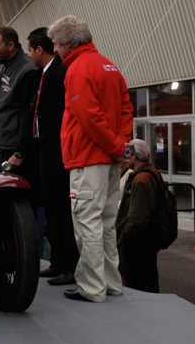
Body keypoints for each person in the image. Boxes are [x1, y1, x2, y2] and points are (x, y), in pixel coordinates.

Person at [49, 15, 132, 303]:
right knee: (106, 223)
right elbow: (125, 109)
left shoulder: (77, 69)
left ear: (68, 43)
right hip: (108, 158)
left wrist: (115, 146)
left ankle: (92, 287)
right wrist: (120, 145)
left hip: (87, 158)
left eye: (56, 44)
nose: (55, 50)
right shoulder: (109, 65)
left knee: (87, 223)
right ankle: (111, 283)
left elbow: (88, 118)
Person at [25, 27, 78, 286]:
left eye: (29, 50)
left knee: (62, 210)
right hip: (44, 151)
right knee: (52, 210)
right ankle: (57, 262)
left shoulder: (60, 72)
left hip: (59, 153)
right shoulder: (42, 74)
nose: (28, 55)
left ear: (39, 49)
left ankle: (69, 266)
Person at [0, 26, 37, 175]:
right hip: (1, 147)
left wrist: (19, 152)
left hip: (15, 150)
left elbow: (27, 114)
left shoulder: (26, 70)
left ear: (11, 45)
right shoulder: (0, 67)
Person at [115, 140, 161, 293]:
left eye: (127, 153)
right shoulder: (149, 173)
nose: (125, 157)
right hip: (145, 239)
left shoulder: (141, 178)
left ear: (134, 156)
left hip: (138, 242)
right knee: (145, 280)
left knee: (138, 283)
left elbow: (138, 216)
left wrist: (125, 234)